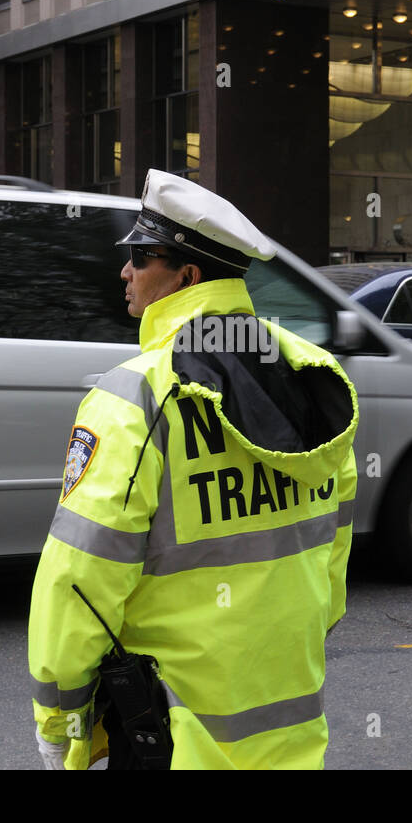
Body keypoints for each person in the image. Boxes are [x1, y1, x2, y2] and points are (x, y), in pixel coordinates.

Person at [28, 169, 360, 770]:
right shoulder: (316, 374)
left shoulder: (135, 397)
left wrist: (62, 716)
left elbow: (82, 574)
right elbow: (332, 545)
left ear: (187, 275)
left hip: (172, 733)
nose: (124, 271)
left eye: (139, 256)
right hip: (289, 722)